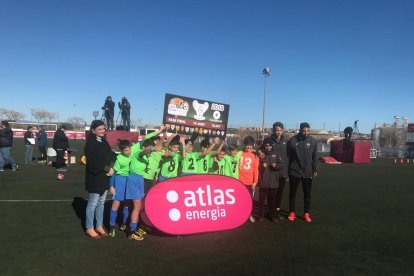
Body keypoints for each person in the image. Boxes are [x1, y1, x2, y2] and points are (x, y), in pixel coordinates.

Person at [84, 120, 116, 239]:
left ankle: (99, 226)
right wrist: (107, 168)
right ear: (93, 130)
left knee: (101, 203)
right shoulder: (90, 143)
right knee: (93, 203)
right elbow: (92, 162)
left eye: (103, 129)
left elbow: (110, 155)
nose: (103, 131)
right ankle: (89, 228)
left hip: (104, 177)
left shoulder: (104, 142)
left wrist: (112, 165)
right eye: (100, 129)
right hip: (95, 177)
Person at [287, 122, 318, 223]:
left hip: (307, 172)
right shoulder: (293, 140)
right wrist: (289, 168)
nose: (305, 133)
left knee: (307, 194)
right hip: (294, 171)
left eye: (307, 131)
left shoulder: (313, 141)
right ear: (300, 130)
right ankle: (292, 212)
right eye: (304, 131)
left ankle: (306, 213)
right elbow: (288, 155)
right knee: (292, 193)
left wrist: (315, 169)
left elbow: (315, 157)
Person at [261, 122, 289, 220]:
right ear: (273, 130)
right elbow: (261, 150)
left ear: (282, 130)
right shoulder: (268, 140)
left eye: (280, 130)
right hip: (272, 172)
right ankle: (270, 212)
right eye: (276, 130)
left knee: (280, 193)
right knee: (272, 193)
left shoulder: (286, 141)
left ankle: (276, 211)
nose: (278, 132)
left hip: (282, 171)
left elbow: (288, 155)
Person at [257, 141, 282, 223]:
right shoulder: (260, 155)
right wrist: (261, 166)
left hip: (273, 181)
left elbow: (281, 164)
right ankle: (261, 215)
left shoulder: (276, 154)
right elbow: (255, 166)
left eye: (269, 146)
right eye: (266, 146)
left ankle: (272, 215)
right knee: (261, 200)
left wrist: (276, 166)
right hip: (263, 181)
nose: (268, 147)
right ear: (264, 146)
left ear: (272, 146)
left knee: (272, 200)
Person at [238, 136, 259, 222]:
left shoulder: (255, 156)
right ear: (245, 145)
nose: (249, 147)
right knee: (239, 199)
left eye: (251, 145)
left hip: (249, 182)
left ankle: (249, 214)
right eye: (247, 145)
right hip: (239, 181)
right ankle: (240, 214)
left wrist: (255, 182)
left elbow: (256, 170)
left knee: (249, 200)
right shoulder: (239, 153)